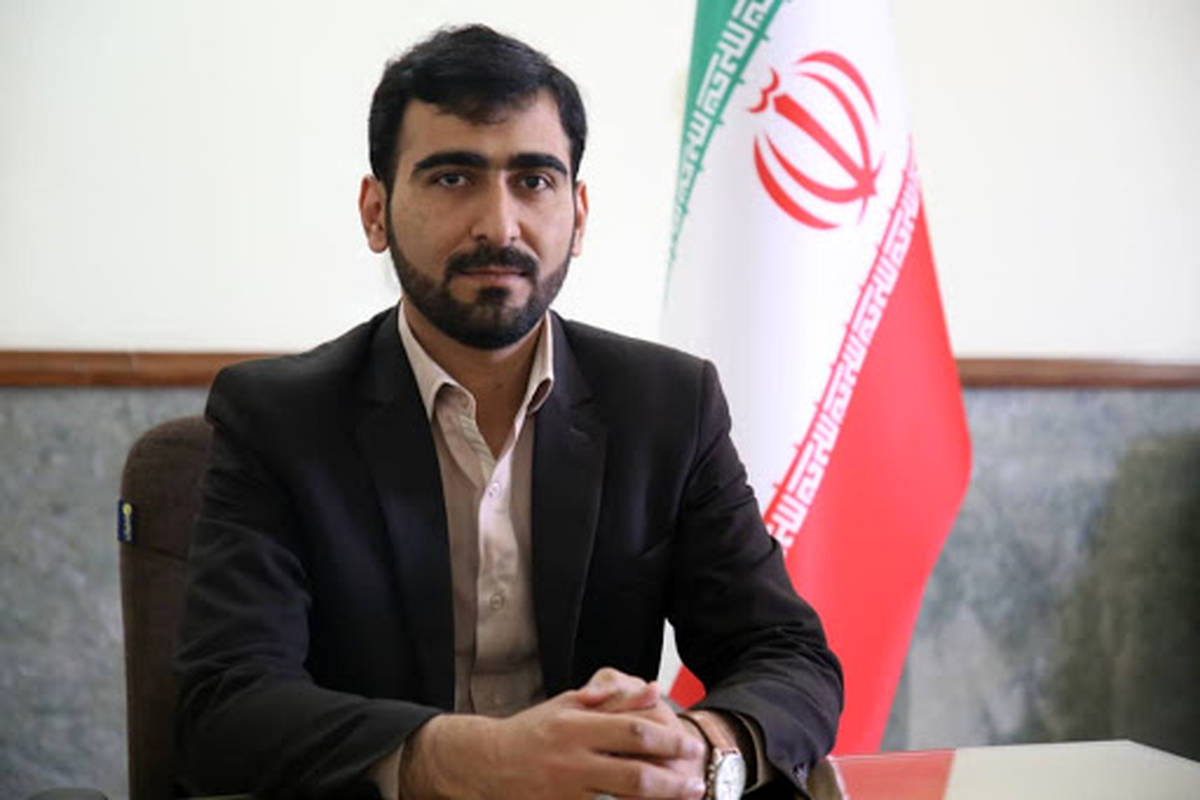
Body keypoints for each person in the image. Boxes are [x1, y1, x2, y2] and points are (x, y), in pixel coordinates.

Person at [173, 24, 842, 800]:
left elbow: (788, 655)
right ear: (375, 211)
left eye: (534, 181)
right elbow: (227, 706)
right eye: (452, 178)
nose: (499, 225)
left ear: (579, 214)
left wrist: (705, 750)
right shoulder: (277, 418)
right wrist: (477, 758)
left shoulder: (667, 405)